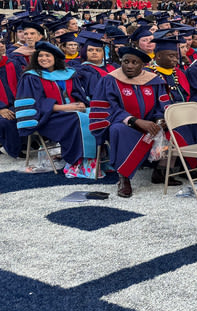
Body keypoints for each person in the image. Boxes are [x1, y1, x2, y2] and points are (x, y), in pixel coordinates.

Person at [88, 48, 184, 197]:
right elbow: (108, 108)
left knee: (175, 129)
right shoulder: (110, 80)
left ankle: (161, 171)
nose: (129, 66)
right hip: (122, 122)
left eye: (135, 63)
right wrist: (135, 121)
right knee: (118, 130)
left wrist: (159, 121)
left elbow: (163, 105)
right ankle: (124, 177)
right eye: (126, 61)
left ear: (142, 65)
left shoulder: (154, 81)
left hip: (150, 123)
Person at [14, 41, 97, 171]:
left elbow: (77, 93)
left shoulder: (68, 74)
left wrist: (81, 103)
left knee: (95, 114)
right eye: (40, 56)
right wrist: (65, 108)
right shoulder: (31, 77)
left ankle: (97, 160)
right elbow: (35, 103)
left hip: (70, 112)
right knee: (76, 119)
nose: (44, 59)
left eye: (48, 55)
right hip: (47, 117)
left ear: (55, 58)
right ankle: (78, 162)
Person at [0, 35, 21, 158]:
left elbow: (22, 87)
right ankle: (14, 150)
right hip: (2, 108)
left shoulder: (12, 63)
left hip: (15, 104)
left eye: (2, 42)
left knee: (14, 116)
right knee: (5, 122)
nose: (2, 45)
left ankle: (20, 146)